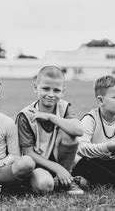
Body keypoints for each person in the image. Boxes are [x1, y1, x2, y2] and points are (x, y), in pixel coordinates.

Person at [16, 66, 84, 195]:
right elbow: (28, 153)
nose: (51, 95)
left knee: (70, 133)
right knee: (44, 186)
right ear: (35, 87)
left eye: (56, 90)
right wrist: (57, 168)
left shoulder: (64, 107)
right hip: (37, 163)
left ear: (63, 91)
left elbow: (79, 131)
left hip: (60, 160)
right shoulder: (25, 115)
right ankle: (56, 177)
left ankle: (67, 178)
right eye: (46, 89)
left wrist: (50, 117)